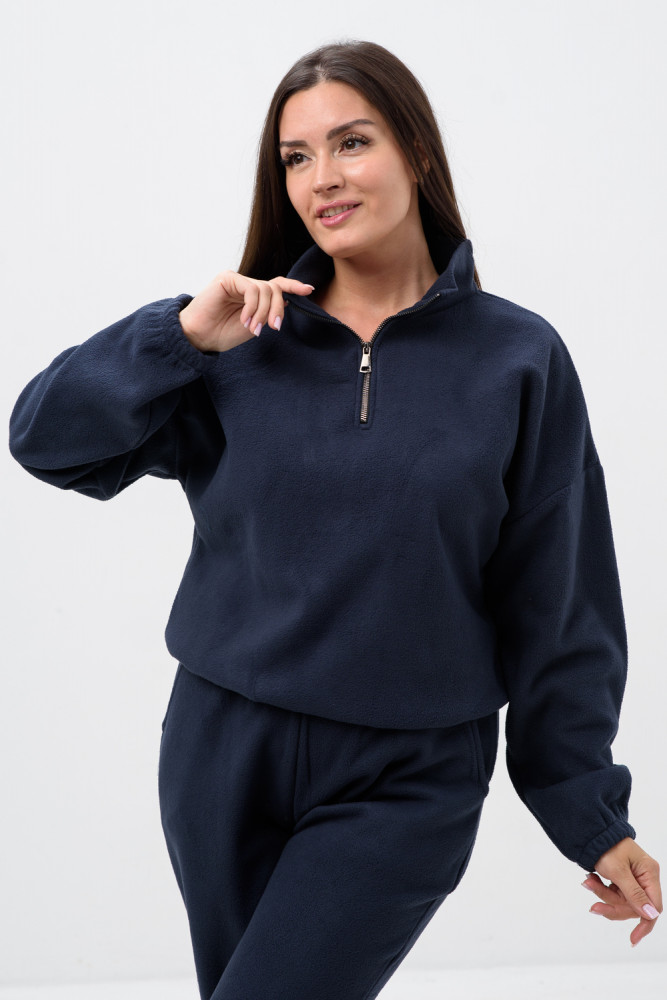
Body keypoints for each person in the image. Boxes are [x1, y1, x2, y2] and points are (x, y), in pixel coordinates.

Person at [8, 38, 661, 1000]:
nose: (322, 178)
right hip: (221, 750)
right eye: (296, 157)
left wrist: (587, 810)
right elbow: (43, 441)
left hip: (410, 774)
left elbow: (557, 600)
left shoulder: (518, 359)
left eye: (351, 142)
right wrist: (179, 335)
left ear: (416, 151)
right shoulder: (237, 340)